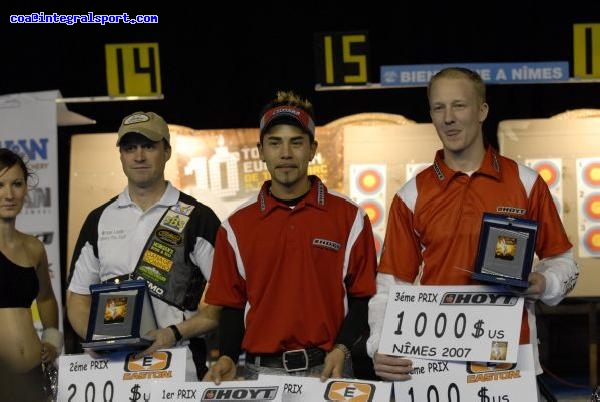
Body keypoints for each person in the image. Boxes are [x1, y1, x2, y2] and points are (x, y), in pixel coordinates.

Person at [366, 68, 579, 397]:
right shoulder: (411, 195)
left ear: (482, 111)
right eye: (439, 108)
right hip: (435, 361)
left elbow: (562, 260)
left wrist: (544, 282)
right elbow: (392, 285)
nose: (448, 118)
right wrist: (379, 344)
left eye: (459, 106)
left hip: (512, 358)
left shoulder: (526, 182)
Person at [203, 90, 378, 383]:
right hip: (262, 373)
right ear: (261, 151)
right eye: (275, 143)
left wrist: (343, 347)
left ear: (312, 149)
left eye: (296, 142)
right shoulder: (235, 226)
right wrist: (228, 356)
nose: (285, 153)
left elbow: (363, 297)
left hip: (330, 368)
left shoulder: (350, 217)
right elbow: (232, 305)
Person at [66, 111, 222, 380]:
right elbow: (77, 299)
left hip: (178, 367)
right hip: (113, 371)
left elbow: (226, 301)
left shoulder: (198, 217)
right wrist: (97, 338)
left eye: (149, 146)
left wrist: (174, 333)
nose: (139, 156)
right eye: (130, 148)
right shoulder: (98, 219)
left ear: (168, 151)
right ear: (121, 156)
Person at [0, 148, 62, 401]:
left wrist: (51, 340)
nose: (9, 194)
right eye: (0, 184)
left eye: (17, 184)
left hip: (35, 375)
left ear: (26, 189)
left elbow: (46, 298)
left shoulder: (33, 248)